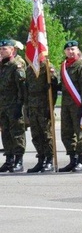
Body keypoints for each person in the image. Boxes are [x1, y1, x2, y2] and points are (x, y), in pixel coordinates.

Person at [59, 41, 82, 172]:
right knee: (66, 132)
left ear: (78, 50)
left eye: (73, 49)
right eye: (68, 50)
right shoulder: (64, 66)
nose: (70, 52)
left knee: (80, 133)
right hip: (66, 104)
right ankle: (73, 159)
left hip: (78, 104)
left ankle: (81, 161)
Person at [25, 57, 59, 173]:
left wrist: (51, 106)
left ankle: (49, 160)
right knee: (36, 134)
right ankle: (41, 159)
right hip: (32, 106)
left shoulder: (47, 66)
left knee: (47, 134)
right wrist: (27, 107)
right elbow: (27, 89)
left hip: (44, 106)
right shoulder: (29, 68)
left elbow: (53, 89)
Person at [0, 39, 26, 172]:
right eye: (1, 49)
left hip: (14, 104)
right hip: (2, 105)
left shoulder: (17, 65)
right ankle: (9, 159)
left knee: (17, 133)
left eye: (5, 48)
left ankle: (18, 160)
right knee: (5, 132)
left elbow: (21, 87)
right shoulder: (2, 65)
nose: (2, 51)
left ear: (12, 50)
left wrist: (19, 104)